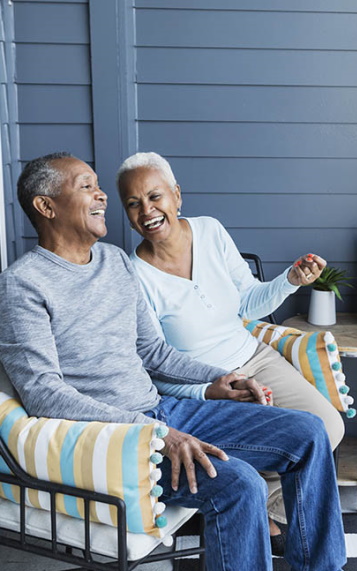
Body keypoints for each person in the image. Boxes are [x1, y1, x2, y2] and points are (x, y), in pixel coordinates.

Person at [0, 152, 346, 571]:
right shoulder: (23, 284)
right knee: (238, 485)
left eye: (98, 185)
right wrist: (156, 433)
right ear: (46, 207)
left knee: (309, 433)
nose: (102, 194)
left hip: (162, 412)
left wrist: (222, 377)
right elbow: (45, 395)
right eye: (86, 186)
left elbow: (153, 351)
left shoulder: (114, 263)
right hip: (114, 442)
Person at [115, 152, 345, 544]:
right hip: (201, 391)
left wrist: (289, 280)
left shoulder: (210, 231)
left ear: (177, 195)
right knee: (275, 446)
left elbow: (247, 303)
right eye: (134, 204)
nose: (147, 211)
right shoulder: (132, 274)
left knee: (329, 427)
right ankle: (252, 508)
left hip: (252, 357)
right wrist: (211, 388)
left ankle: (264, 504)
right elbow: (154, 365)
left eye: (155, 197)